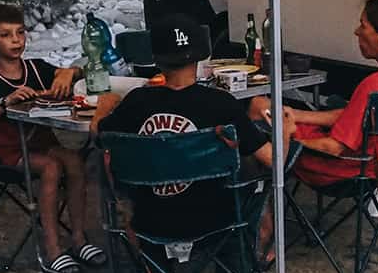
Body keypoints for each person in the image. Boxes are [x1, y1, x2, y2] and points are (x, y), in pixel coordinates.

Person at [95, 13, 273, 246]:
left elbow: (99, 136)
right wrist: (287, 130)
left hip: (150, 222)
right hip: (216, 222)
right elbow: (273, 159)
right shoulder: (221, 103)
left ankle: (151, 270)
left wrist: (103, 106)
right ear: (202, 58)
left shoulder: (136, 102)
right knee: (250, 171)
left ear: (156, 61)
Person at [0, 3, 101, 273]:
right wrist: (5, 102)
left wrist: (68, 73)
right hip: (5, 151)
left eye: (20, 32)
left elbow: (81, 72)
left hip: (40, 141)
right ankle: (53, 249)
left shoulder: (36, 68)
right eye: (5, 34)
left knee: (74, 162)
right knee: (51, 167)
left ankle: (80, 239)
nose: (15, 40)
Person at [255, 0, 378, 186]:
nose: (357, 31)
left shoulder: (374, 86)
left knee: (258, 108)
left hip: (340, 172)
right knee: (268, 108)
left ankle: (260, 209)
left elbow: (333, 148)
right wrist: (296, 114)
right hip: (375, 170)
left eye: (363, 25)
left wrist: (285, 140)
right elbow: (353, 116)